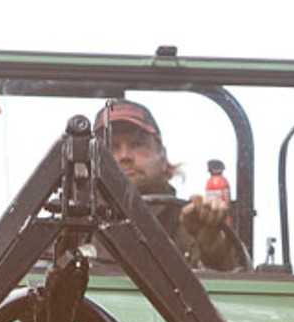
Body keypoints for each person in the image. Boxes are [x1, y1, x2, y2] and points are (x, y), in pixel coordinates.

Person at [95, 99, 248, 271]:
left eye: (137, 144)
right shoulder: (71, 227)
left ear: (163, 155)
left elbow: (231, 289)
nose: (124, 156)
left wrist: (214, 250)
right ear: (94, 161)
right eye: (111, 147)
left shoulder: (192, 224)